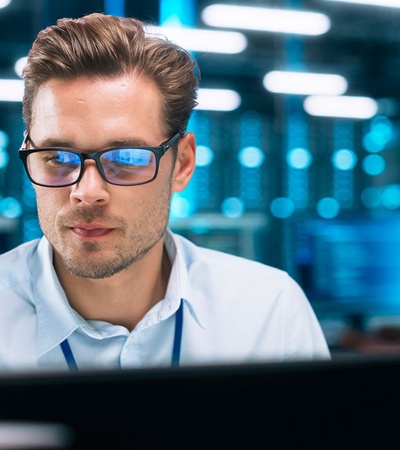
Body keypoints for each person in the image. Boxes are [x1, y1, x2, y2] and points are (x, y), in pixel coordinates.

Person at [0, 12, 330, 372]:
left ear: (183, 163)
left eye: (126, 158)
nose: (87, 192)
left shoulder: (268, 315)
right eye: (57, 157)